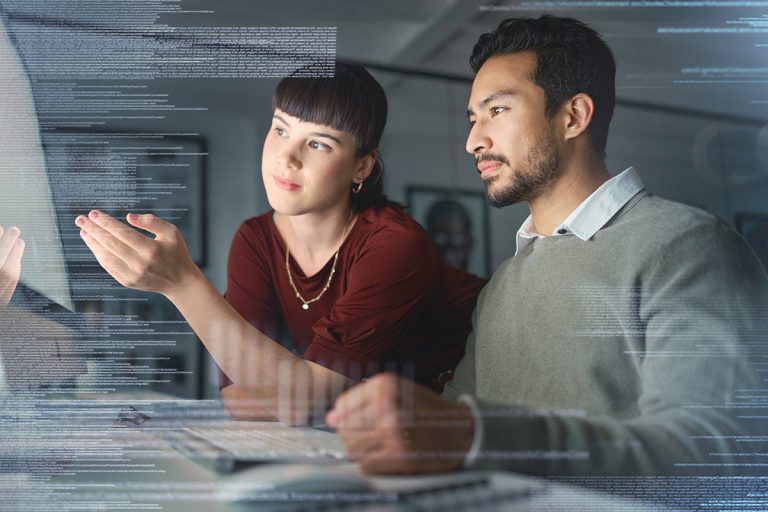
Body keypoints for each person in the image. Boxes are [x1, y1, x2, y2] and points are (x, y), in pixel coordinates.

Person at [326, 15, 768, 477]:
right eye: (474, 119)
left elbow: (715, 455)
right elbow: (453, 421)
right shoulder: (502, 285)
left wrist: (477, 435)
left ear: (573, 116)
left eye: (497, 111)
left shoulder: (689, 247)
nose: (473, 141)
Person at [75, 63, 486, 425]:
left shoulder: (395, 244)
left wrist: (181, 283)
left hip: (480, 410)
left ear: (362, 165)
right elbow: (241, 394)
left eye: (319, 143)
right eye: (281, 129)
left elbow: (296, 402)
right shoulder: (255, 239)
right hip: (384, 433)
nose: (286, 158)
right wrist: (307, 389)